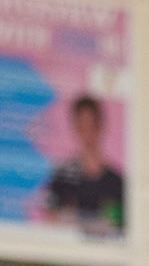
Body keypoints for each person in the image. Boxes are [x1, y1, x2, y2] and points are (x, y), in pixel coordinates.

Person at [40, 93, 127, 235]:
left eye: (91, 124)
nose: (87, 132)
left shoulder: (117, 182)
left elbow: (121, 226)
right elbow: (49, 218)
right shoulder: (63, 176)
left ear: (99, 126)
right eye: (82, 125)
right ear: (75, 128)